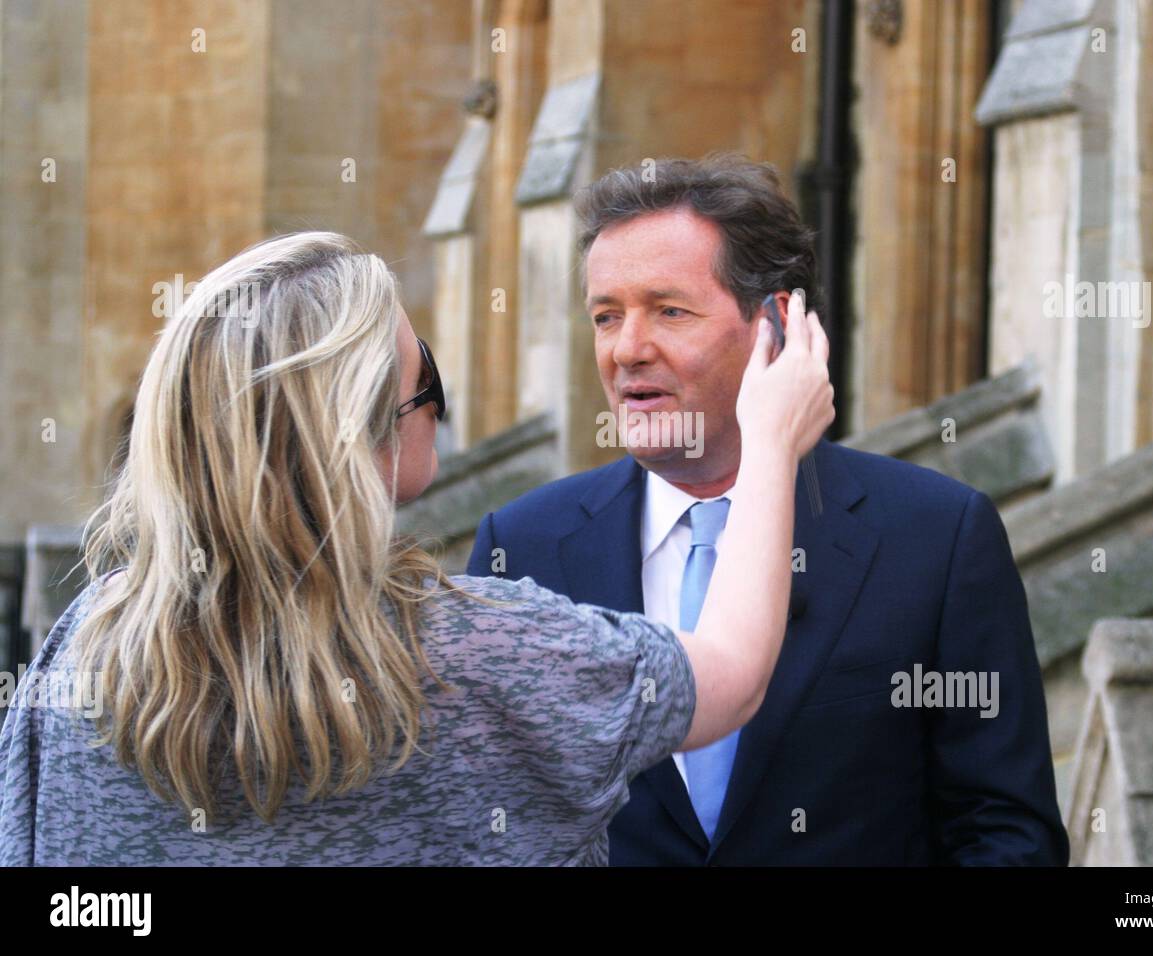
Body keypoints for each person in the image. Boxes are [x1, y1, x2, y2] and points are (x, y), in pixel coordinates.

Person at [0, 230, 833, 866]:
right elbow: (728, 674)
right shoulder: (475, 652)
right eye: (421, 370)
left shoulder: (84, 646)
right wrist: (769, 444)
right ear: (367, 430)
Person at [467, 154, 1069, 865]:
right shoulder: (524, 546)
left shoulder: (935, 537)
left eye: (669, 310)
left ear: (775, 324)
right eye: (607, 316)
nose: (627, 349)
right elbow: (483, 828)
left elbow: (1006, 837)